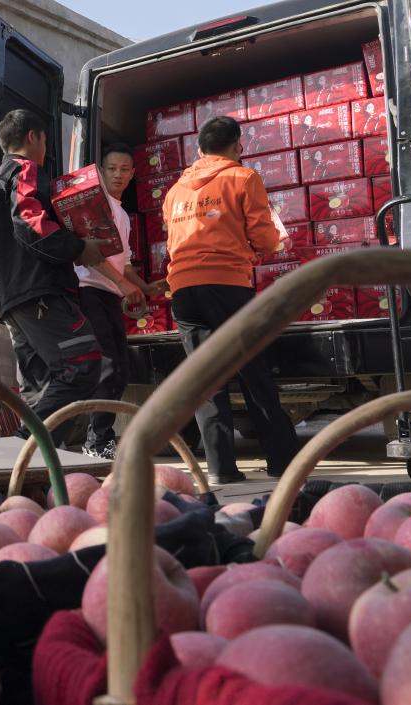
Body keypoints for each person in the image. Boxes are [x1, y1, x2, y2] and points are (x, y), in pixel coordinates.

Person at [161, 116, 299, 484]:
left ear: (200, 149)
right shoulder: (243, 177)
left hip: (184, 290)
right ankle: (282, 462)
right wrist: (270, 241)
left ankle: (221, 469)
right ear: (237, 146)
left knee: (207, 379)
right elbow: (265, 238)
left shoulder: (175, 191)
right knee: (253, 371)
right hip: (227, 284)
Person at [0, 109, 106, 447]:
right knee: (82, 364)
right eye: (45, 140)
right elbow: (30, 221)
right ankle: (24, 444)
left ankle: (36, 474)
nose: (45, 148)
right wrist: (78, 247)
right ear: (33, 137)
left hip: (15, 299)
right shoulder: (24, 170)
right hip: (39, 292)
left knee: (41, 385)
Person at [75, 143, 161, 459]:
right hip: (88, 291)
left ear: (133, 174)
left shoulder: (122, 213)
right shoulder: (94, 206)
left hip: (109, 295)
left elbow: (123, 264)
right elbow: (90, 255)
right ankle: (97, 443)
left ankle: (100, 440)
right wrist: (124, 285)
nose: (118, 174)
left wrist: (144, 287)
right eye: (112, 168)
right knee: (108, 367)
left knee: (121, 369)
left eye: (125, 169)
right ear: (100, 171)